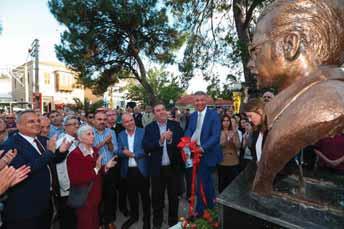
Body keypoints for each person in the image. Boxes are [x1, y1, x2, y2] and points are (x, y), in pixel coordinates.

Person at [246, 0, 344, 195]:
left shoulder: (325, 103)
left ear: (290, 44)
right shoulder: (298, 102)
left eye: (255, 51)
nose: (250, 64)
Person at [1, 110, 69, 229]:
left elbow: (50, 161)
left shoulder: (41, 140)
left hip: (44, 204)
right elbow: (24, 170)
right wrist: (48, 153)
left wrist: (61, 152)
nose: (37, 124)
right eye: (31, 121)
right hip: (24, 208)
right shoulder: (10, 144)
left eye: (37, 120)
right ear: (18, 125)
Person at [67, 125, 117, 229]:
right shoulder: (75, 155)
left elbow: (97, 170)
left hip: (95, 194)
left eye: (93, 133)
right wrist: (97, 169)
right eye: (88, 134)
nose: (92, 136)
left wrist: (105, 167)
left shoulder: (94, 150)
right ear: (80, 138)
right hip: (84, 196)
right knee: (86, 223)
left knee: (94, 221)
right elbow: (75, 179)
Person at [143, 104, 184, 228]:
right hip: (157, 170)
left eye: (162, 110)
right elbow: (146, 147)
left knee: (173, 197)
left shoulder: (175, 125)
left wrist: (171, 140)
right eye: (157, 110)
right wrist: (160, 142)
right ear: (154, 114)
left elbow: (182, 144)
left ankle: (173, 223)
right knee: (157, 198)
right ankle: (157, 223)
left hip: (173, 168)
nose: (160, 112)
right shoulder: (149, 128)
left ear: (166, 111)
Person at [184, 91, 222, 215]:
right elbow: (189, 130)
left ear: (206, 100)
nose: (199, 102)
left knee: (202, 183)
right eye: (197, 100)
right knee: (204, 183)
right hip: (195, 154)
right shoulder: (193, 116)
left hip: (207, 154)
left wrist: (202, 148)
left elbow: (215, 136)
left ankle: (202, 212)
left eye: (201, 100)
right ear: (193, 102)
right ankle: (209, 210)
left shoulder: (214, 115)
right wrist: (186, 142)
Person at [118, 113, 150, 229]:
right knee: (132, 196)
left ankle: (146, 219)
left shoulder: (143, 131)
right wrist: (123, 153)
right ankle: (134, 216)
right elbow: (118, 151)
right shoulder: (121, 134)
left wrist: (132, 154)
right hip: (128, 170)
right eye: (126, 122)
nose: (130, 123)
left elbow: (146, 149)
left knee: (145, 196)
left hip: (141, 169)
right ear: (123, 124)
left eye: (131, 120)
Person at [93, 111, 118, 229]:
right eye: (99, 119)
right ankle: (98, 223)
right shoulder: (89, 133)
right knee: (97, 197)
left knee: (110, 196)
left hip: (110, 169)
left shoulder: (111, 132)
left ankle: (109, 221)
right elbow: (91, 151)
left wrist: (109, 144)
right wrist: (104, 142)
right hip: (96, 170)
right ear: (94, 120)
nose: (102, 121)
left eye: (104, 119)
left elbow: (115, 150)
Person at [55, 115, 80, 229]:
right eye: (73, 124)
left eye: (77, 123)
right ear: (65, 127)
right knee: (67, 217)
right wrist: (66, 186)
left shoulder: (77, 140)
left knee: (76, 216)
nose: (76, 126)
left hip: (77, 184)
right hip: (67, 188)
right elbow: (59, 166)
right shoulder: (62, 141)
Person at [106, 109, 128, 217]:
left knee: (123, 187)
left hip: (122, 161)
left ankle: (123, 207)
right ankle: (111, 211)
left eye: (113, 115)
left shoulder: (122, 128)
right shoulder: (103, 129)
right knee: (111, 189)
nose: (111, 117)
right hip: (109, 163)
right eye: (109, 115)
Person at [217, 115, 241, 193]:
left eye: (227, 121)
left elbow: (238, 146)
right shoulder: (219, 132)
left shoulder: (234, 132)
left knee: (232, 182)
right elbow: (218, 145)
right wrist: (227, 140)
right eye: (224, 120)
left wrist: (233, 140)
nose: (226, 122)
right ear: (221, 122)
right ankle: (222, 198)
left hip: (233, 161)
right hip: (222, 161)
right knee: (222, 182)